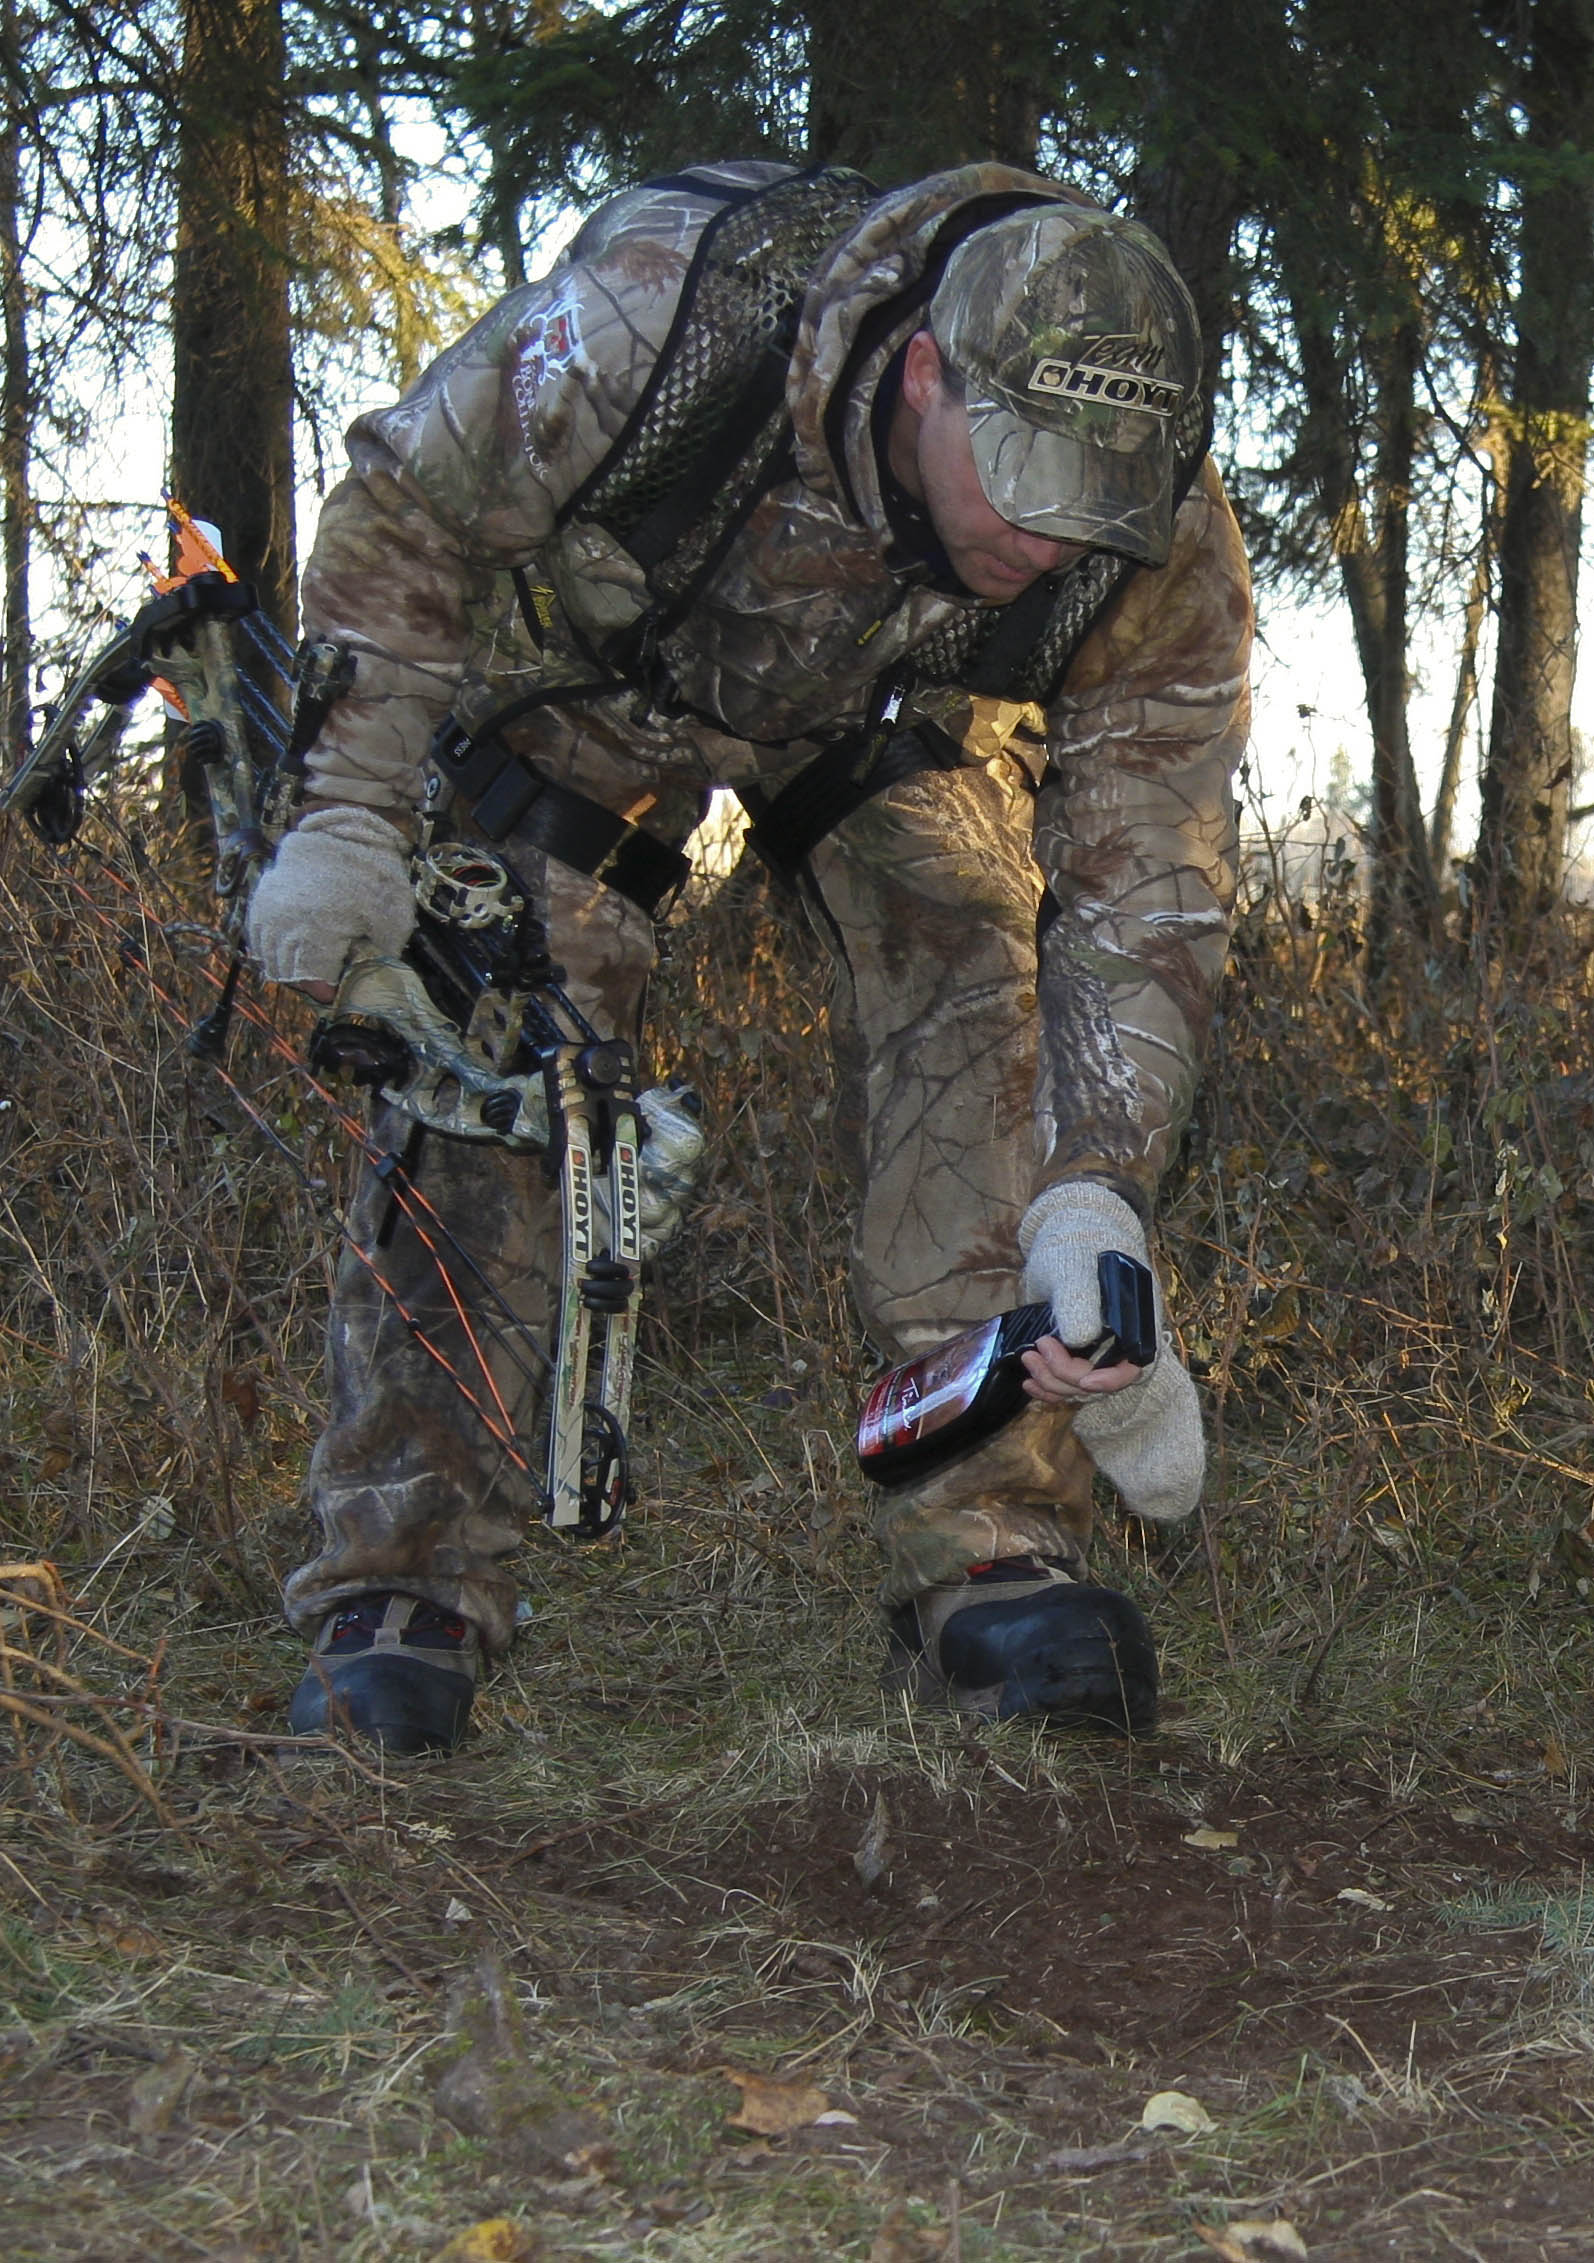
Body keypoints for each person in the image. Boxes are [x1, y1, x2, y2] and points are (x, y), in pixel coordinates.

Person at [247, 159, 1253, 1756]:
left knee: (982, 958)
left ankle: (991, 1547)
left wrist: (1099, 1187)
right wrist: (351, 818)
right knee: (499, 1011)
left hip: (884, 726)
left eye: (1095, 505)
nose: (1056, 538)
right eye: (1021, 477)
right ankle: (405, 1581)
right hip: (591, 688)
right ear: (922, 369)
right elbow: (409, 506)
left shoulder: (1151, 522)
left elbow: (1147, 882)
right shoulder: (661, 323)